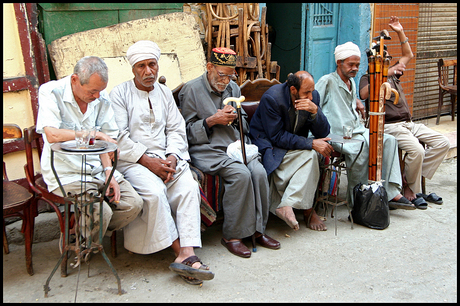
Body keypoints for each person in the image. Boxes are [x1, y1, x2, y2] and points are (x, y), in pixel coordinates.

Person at [109, 40, 214, 285]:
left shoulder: (165, 93)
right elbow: (118, 136)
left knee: (188, 187)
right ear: (133, 69)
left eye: (152, 65)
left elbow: (176, 129)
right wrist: (147, 161)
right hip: (133, 161)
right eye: (142, 66)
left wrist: (172, 157)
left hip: (167, 159)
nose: (148, 71)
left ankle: (187, 251)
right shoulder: (119, 94)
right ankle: (183, 255)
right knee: (155, 193)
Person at [179, 47, 280, 258]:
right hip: (207, 149)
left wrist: (237, 117)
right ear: (210, 67)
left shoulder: (233, 88)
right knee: (240, 174)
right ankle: (232, 236)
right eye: (221, 75)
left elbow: (243, 120)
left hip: (234, 145)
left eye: (230, 75)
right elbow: (185, 132)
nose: (225, 81)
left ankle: (258, 230)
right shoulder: (191, 90)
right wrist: (211, 121)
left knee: (259, 172)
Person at [36, 56, 143, 250]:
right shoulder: (51, 91)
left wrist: (109, 173)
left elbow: (105, 143)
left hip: (97, 168)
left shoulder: (101, 97)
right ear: (75, 80)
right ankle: (81, 247)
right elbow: (52, 134)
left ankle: (82, 233)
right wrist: (93, 134)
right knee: (101, 211)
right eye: (92, 91)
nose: (96, 97)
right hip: (66, 171)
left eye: (100, 91)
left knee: (132, 204)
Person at [359, 16, 450, 208]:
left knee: (442, 142)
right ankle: (412, 190)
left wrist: (399, 31)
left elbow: (408, 55)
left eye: (388, 61)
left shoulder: (394, 74)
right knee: (416, 150)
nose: (388, 63)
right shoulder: (369, 76)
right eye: (384, 61)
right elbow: (364, 94)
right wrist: (386, 73)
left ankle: (412, 183)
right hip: (390, 125)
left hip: (409, 123)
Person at [315, 42, 415, 210]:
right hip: (337, 134)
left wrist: (357, 102)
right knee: (360, 149)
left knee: (389, 141)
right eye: (350, 64)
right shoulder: (327, 81)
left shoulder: (351, 82)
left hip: (356, 130)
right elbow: (314, 105)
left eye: (357, 65)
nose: (354, 68)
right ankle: (360, 200)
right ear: (339, 63)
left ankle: (390, 193)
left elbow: (350, 100)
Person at [249, 71, 333, 231]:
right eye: (306, 92)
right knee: (311, 154)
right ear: (293, 90)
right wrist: (311, 143)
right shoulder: (272, 98)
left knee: (312, 155)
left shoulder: (312, 97)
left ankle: (287, 205)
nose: (310, 96)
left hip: (292, 146)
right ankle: (304, 209)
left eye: (312, 91)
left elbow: (323, 133)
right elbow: (277, 137)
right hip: (270, 146)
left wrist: (315, 112)